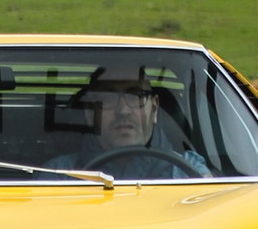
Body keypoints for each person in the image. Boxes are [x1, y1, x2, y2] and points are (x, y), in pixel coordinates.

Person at [46, 71, 208, 178]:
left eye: (135, 96)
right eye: (107, 98)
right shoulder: (59, 174)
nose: (123, 110)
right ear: (90, 112)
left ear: (154, 108)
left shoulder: (189, 171)